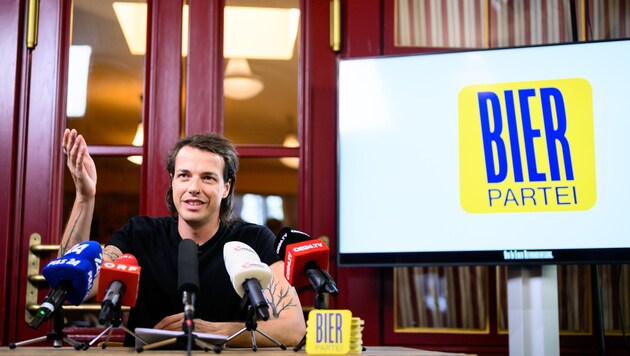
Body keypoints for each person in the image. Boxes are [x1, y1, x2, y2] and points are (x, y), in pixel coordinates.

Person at [60, 128, 306, 347]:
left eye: (208, 177)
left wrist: (215, 331)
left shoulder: (253, 240)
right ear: (173, 181)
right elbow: (71, 288)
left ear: (226, 188)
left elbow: (293, 328)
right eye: (184, 175)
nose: (193, 187)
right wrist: (85, 196)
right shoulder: (139, 234)